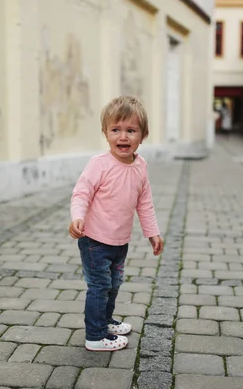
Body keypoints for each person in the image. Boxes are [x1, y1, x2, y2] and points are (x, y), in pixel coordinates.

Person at [69, 95, 164, 352]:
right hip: (94, 241)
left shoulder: (140, 166)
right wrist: (77, 216)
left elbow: (144, 202)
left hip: (120, 241)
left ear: (143, 136)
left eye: (131, 130)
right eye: (116, 130)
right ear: (105, 132)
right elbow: (82, 193)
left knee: (113, 286)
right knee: (99, 286)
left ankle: (105, 321)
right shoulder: (99, 164)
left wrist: (152, 233)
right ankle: (95, 336)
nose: (123, 137)